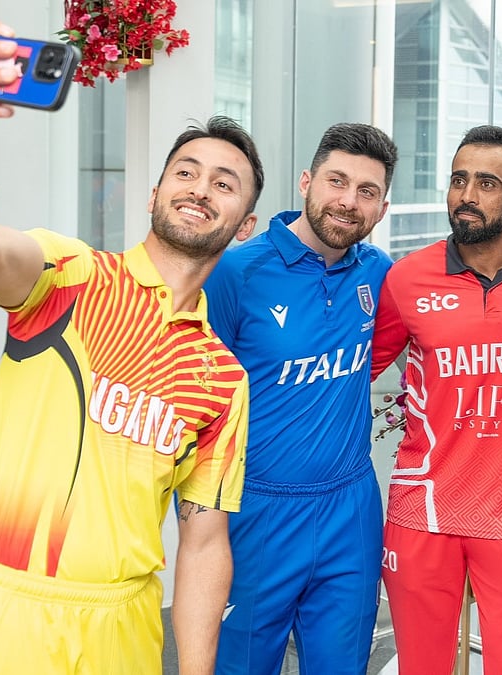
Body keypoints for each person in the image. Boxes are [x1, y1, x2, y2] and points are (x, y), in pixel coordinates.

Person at [0, 21, 259, 675]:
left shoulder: (222, 378)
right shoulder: (71, 274)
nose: (200, 188)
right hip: (8, 613)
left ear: (244, 225)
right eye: (186, 172)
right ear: (155, 194)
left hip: (126, 623)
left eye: (225, 183)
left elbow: (203, 542)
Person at [369, 125, 502, 673]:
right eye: (459, 180)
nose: (467, 194)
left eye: (487, 183)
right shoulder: (406, 279)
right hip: (423, 511)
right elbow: (354, 374)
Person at [204, 123, 398, 674]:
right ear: (307, 182)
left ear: (382, 208)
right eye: (337, 181)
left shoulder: (380, 272)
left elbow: (449, 288)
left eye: (366, 191)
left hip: (350, 510)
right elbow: (198, 399)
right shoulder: (236, 272)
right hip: (256, 511)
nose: (348, 200)